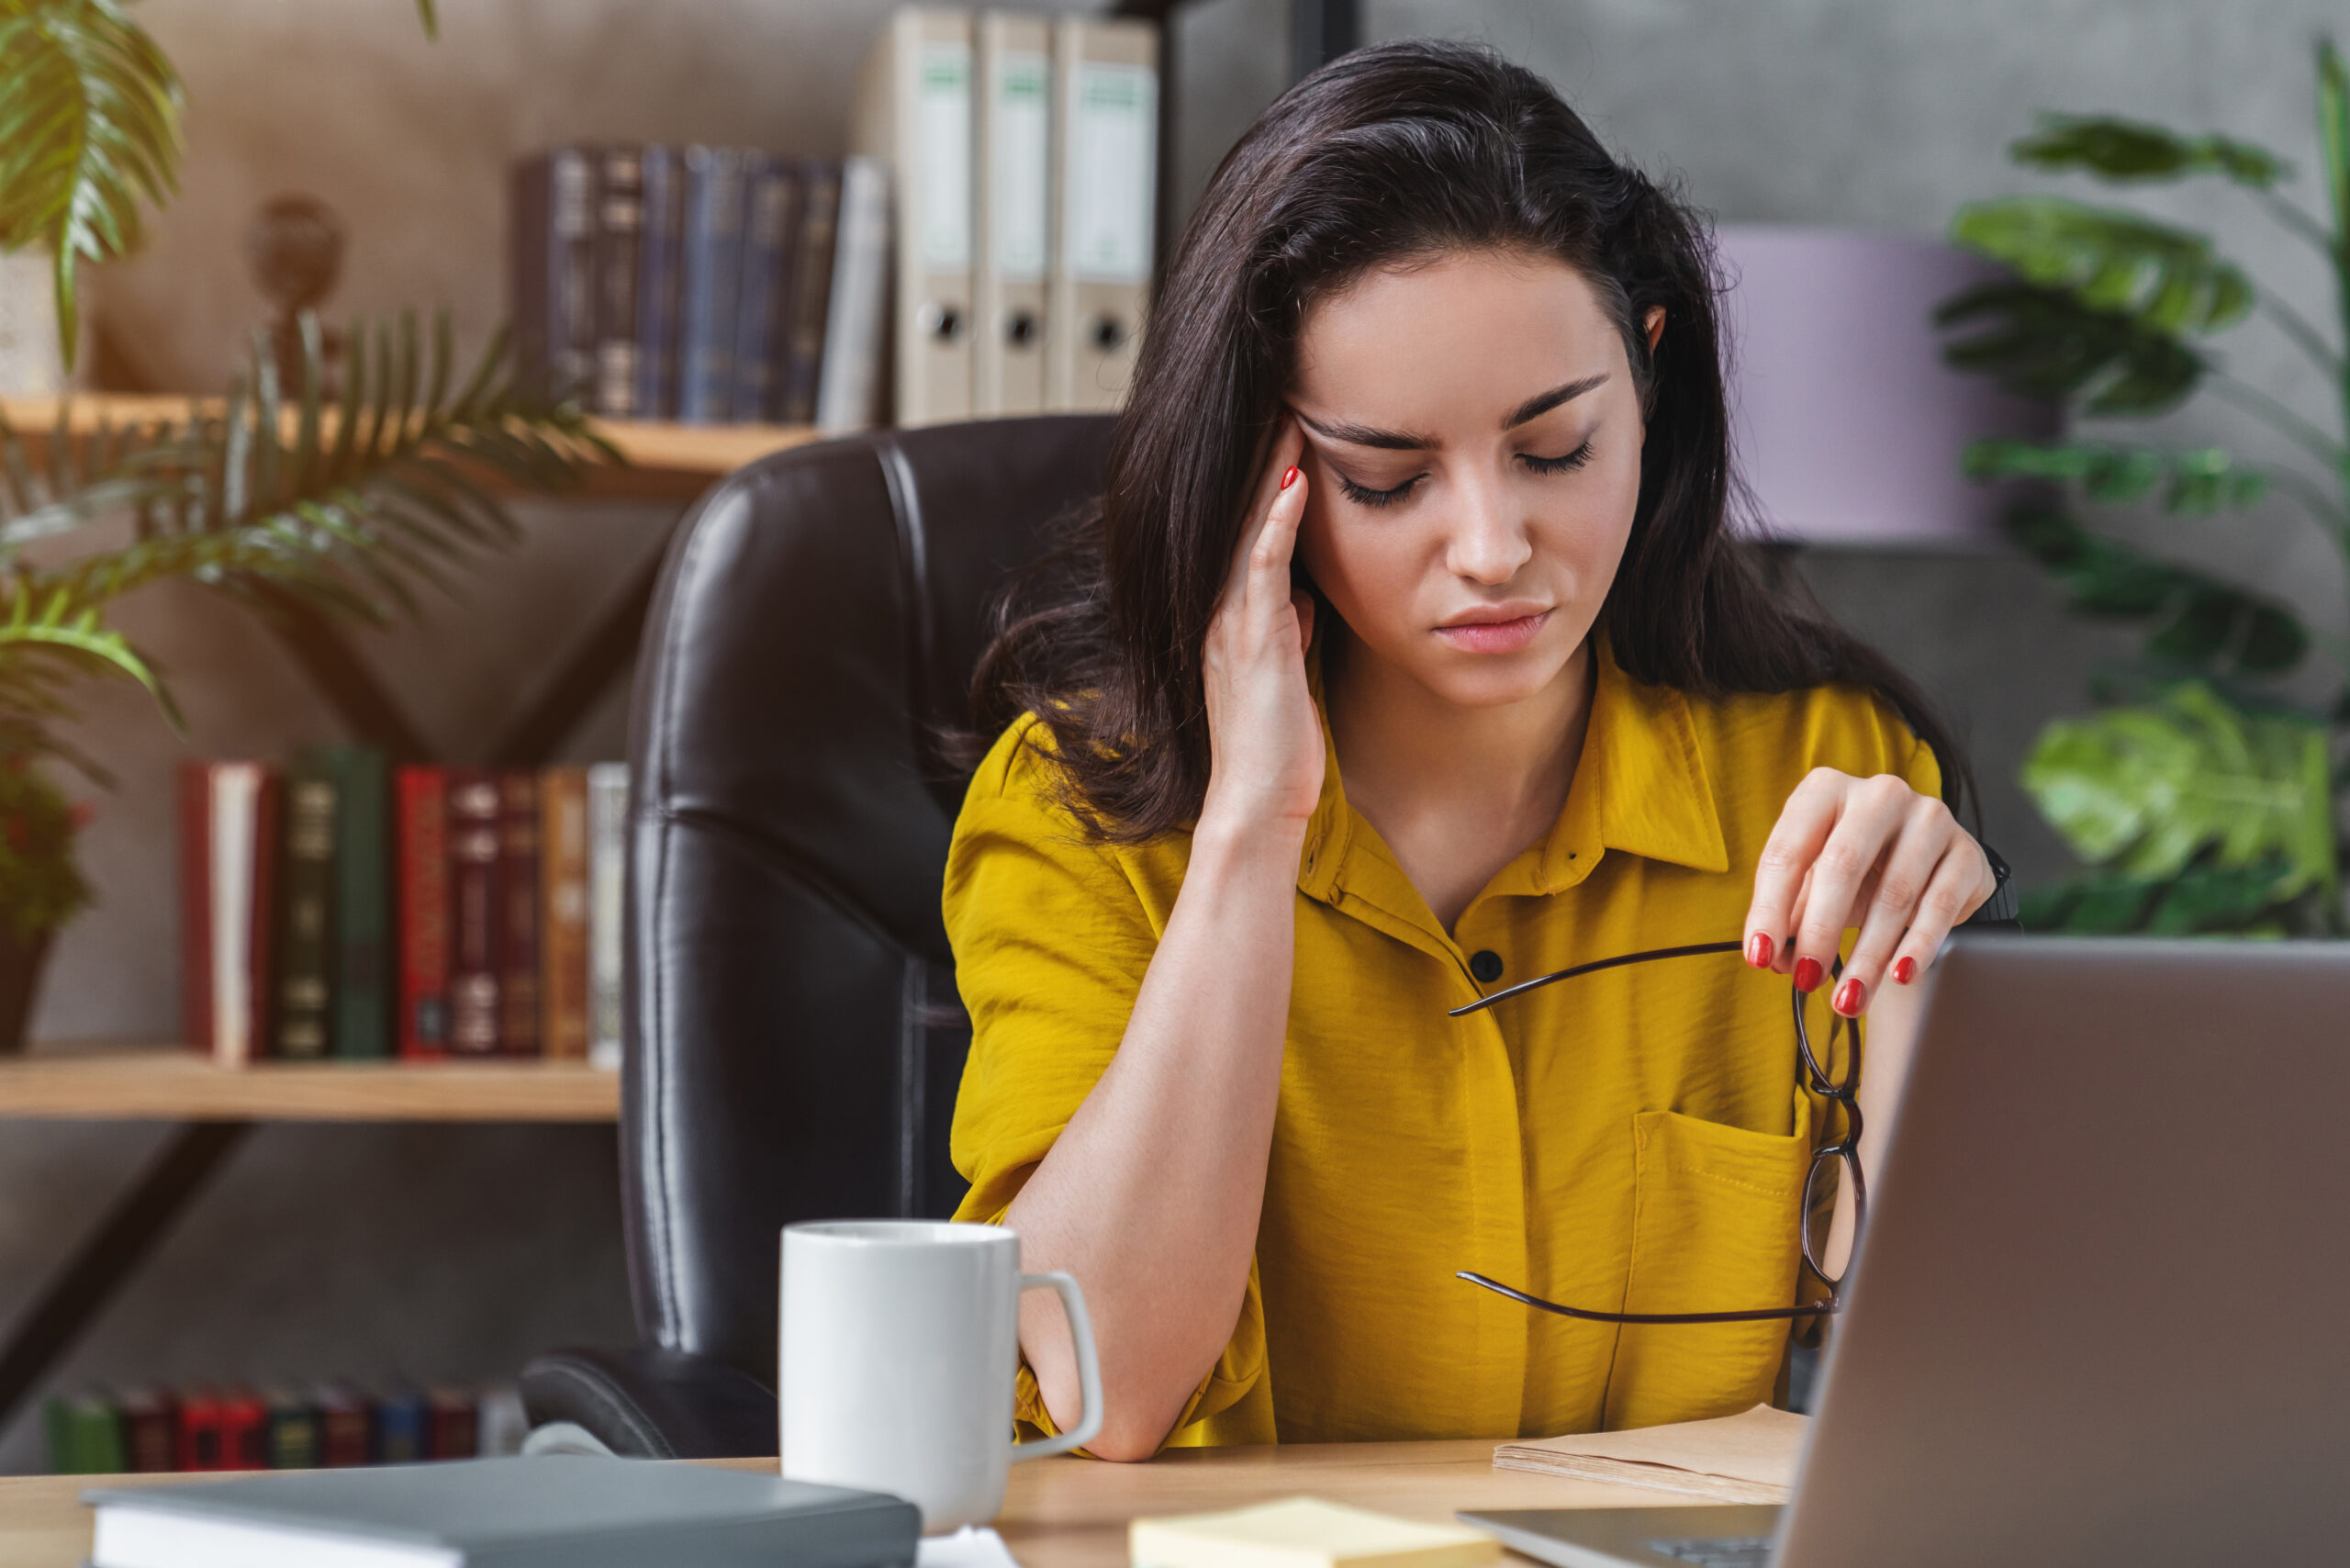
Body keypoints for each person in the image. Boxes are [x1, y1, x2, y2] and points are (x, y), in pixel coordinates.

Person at [944, 39, 2001, 1461]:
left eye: (1555, 451)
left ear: (1647, 375)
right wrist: (1251, 829)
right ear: (1268, 469)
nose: (1494, 549)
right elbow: (1102, 1389)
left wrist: (1931, 987)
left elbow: (1969, 1381)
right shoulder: (1078, 808)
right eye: (1388, 480)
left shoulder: (1821, 775)